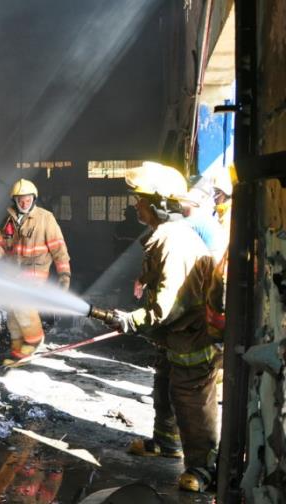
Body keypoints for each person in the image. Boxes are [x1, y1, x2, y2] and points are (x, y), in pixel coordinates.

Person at [104, 162, 220, 493]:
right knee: (165, 384)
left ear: (158, 203)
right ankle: (167, 443)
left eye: (139, 199)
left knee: (192, 398)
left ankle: (204, 467)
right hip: (174, 334)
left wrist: (132, 319)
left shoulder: (174, 241)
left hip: (190, 335)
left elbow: (165, 306)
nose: (135, 204)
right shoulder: (164, 236)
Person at [0, 178, 71, 364]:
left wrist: (64, 274)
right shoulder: (9, 220)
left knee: (22, 305)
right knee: (13, 314)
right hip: (12, 275)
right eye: (21, 200)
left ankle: (34, 340)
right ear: (15, 201)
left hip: (34, 273)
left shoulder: (45, 218)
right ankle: (18, 350)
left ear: (34, 198)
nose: (25, 203)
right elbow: (0, 245)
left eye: (28, 199)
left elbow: (59, 249)